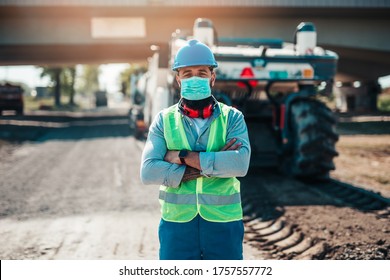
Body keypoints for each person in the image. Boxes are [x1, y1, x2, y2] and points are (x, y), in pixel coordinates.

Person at [140, 39, 251, 260]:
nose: (195, 78)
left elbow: (240, 165)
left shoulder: (232, 117)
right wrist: (216, 162)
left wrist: (181, 156)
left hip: (223, 223)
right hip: (177, 225)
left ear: (213, 77)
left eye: (201, 72)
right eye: (187, 73)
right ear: (178, 78)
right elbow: (149, 172)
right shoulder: (164, 120)